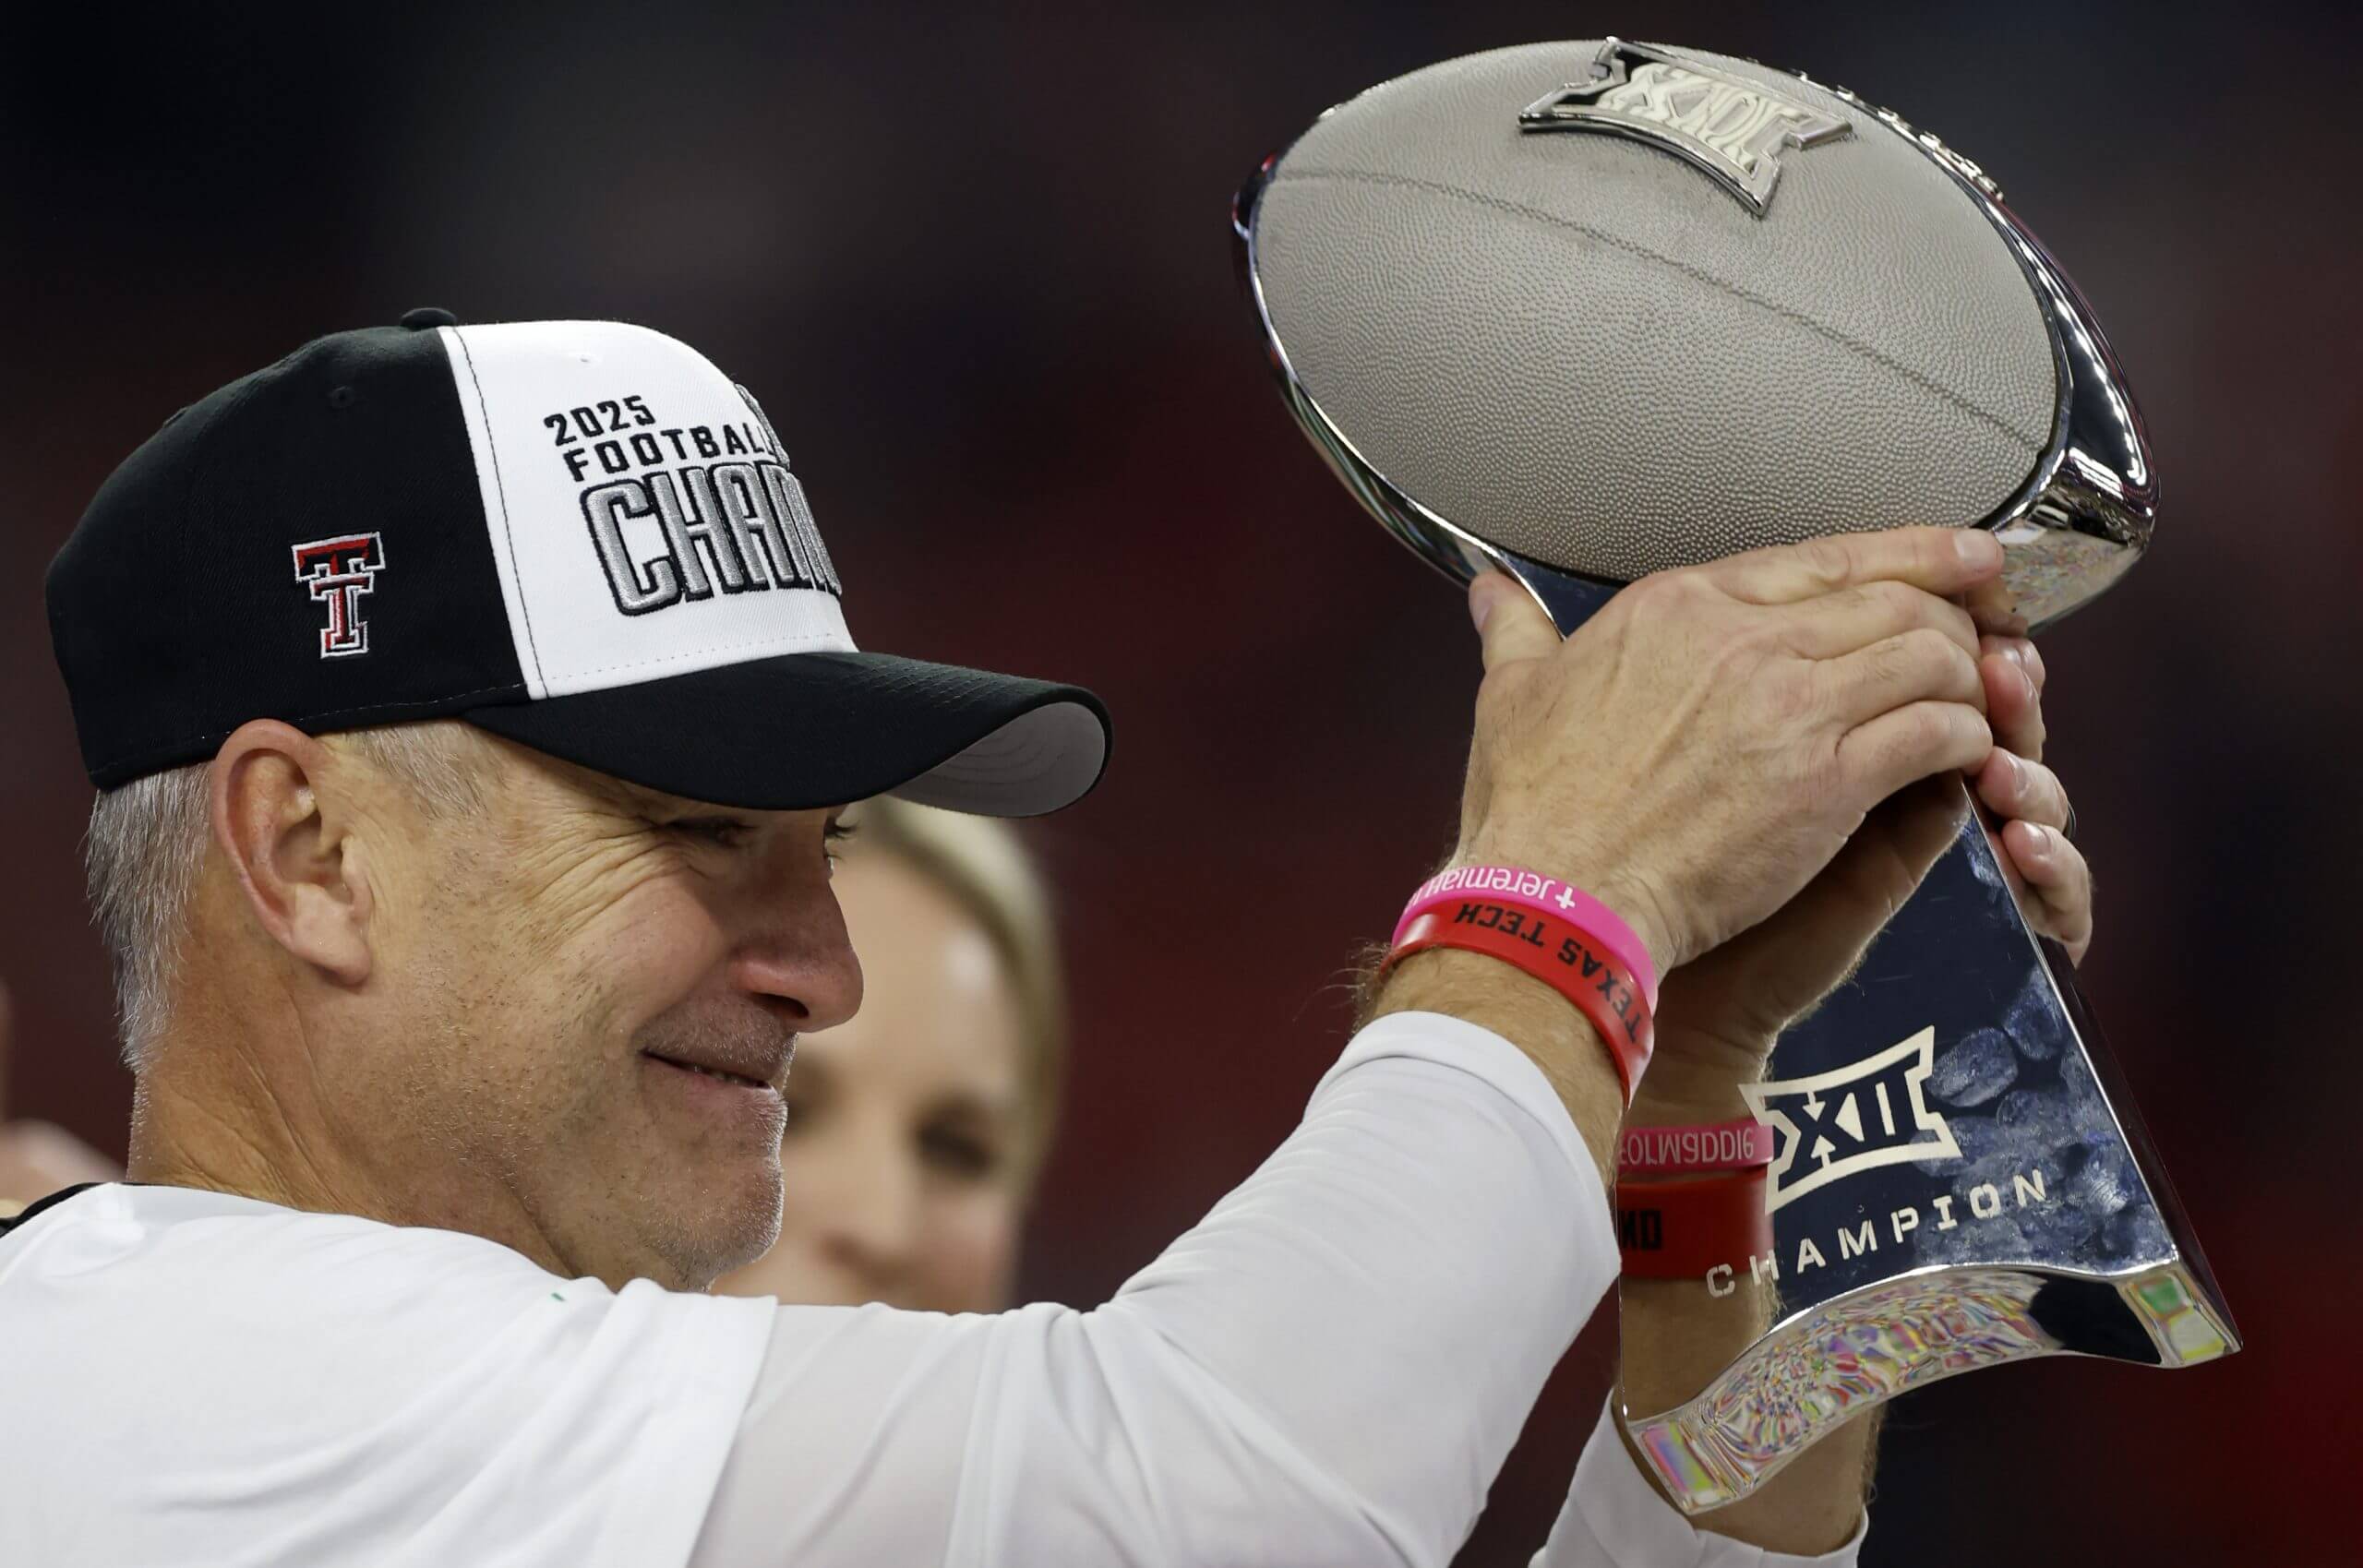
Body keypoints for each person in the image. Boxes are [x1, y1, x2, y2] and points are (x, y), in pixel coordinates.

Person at [2, 314, 2090, 1568]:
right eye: (695, 824)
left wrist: (1714, 1096)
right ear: (308, 848)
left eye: (819, 841)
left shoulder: (588, 1483)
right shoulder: (154, 1367)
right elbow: (1221, 1503)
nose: (819, 959)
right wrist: (1575, 890)